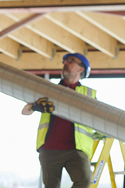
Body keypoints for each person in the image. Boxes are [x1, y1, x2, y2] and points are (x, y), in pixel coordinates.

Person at [22, 53, 97, 188]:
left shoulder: (89, 94)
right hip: (50, 148)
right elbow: (24, 111)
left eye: (70, 61)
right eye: (65, 61)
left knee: (84, 181)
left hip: (76, 149)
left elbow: (98, 118)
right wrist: (34, 106)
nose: (65, 63)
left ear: (81, 69)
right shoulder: (49, 89)